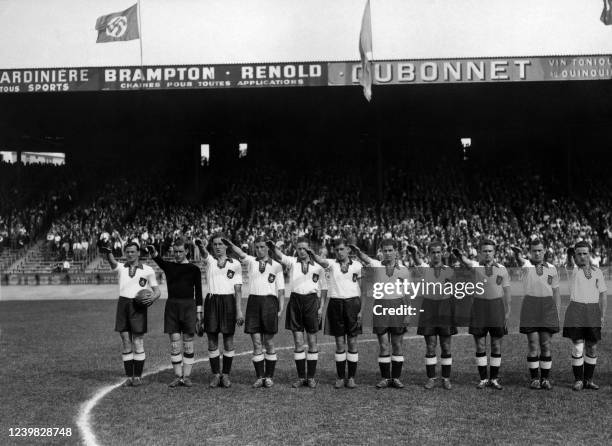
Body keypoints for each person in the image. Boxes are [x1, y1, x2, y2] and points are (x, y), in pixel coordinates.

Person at [225, 237, 284, 388]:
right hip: (253, 303)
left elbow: (281, 290)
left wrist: (281, 308)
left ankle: (269, 377)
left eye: (262, 247)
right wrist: (230, 245)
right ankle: (260, 377)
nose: (259, 249)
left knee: (269, 342)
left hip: (270, 303)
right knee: (257, 342)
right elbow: (240, 252)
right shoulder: (251, 261)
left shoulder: (277, 266)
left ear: (268, 248)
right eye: (257, 247)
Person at [268, 237, 327, 388]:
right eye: (298, 248)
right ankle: (301, 377)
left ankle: (311, 377)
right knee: (298, 341)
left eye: (304, 248)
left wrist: (321, 307)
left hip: (312, 302)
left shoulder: (318, 267)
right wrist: (272, 246)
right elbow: (280, 255)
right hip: (295, 302)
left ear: (310, 249)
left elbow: (324, 289)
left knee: (312, 341)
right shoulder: (293, 262)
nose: (301, 251)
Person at [350, 239, 409, 389]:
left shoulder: (403, 270)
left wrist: (408, 313)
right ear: (381, 251)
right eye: (385, 250)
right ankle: (385, 378)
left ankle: (395, 378)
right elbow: (365, 258)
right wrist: (357, 252)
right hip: (381, 307)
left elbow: (407, 294)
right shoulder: (376, 265)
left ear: (396, 251)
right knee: (383, 345)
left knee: (397, 344)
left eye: (390, 250)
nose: (387, 253)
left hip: (398, 308)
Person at [100, 241, 160, 387]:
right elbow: (113, 261)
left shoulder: (148, 270)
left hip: (138, 307)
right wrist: (108, 253)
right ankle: (129, 376)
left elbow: (157, 291)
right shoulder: (121, 267)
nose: (130, 254)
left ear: (138, 253)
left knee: (138, 341)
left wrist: (152, 297)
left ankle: (137, 376)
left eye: (133, 252)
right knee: (125, 340)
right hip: (123, 305)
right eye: (127, 252)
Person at [454, 239, 511, 390]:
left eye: (490, 251)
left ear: (494, 252)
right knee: (480, 344)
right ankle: (483, 379)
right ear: (480, 253)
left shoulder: (502, 269)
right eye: (484, 251)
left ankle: (494, 378)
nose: (487, 253)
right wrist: (459, 256)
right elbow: (465, 262)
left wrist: (507, 312)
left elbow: (507, 292)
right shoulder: (475, 266)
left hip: (496, 308)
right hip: (478, 308)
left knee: (496, 344)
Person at [307, 239, 362, 389]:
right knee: (339, 343)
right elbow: (321, 261)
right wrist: (312, 254)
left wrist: (362, 310)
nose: (339, 252)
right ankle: (340, 377)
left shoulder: (357, 266)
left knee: (352, 342)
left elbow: (363, 289)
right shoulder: (331, 264)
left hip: (353, 304)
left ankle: (351, 377)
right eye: (337, 250)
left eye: (342, 249)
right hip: (336, 304)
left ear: (348, 250)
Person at [149, 239, 203, 388]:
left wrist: (199, 313)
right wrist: (153, 252)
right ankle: (178, 376)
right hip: (172, 306)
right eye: (175, 252)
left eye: (180, 251)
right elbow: (158, 259)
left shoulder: (194, 269)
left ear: (186, 251)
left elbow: (198, 292)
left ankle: (187, 376)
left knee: (188, 343)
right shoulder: (170, 266)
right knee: (174, 343)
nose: (177, 254)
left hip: (189, 306)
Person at [194, 234, 244, 388]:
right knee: (212, 340)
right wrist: (201, 246)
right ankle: (216, 374)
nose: (217, 247)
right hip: (212, 301)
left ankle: (226, 375)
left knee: (228, 340)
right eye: (214, 244)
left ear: (226, 246)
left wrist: (239, 311)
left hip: (228, 302)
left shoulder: (235, 263)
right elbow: (204, 253)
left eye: (220, 244)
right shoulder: (210, 261)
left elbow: (238, 290)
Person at [511, 240, 560, 390]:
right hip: (530, 307)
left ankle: (545, 379)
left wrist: (557, 312)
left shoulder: (552, 268)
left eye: (539, 250)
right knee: (533, 344)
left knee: (545, 344)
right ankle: (534, 379)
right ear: (530, 252)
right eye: (534, 251)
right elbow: (519, 259)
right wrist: (516, 253)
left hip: (547, 308)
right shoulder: (526, 266)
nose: (537, 253)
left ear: (544, 251)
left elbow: (556, 291)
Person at [563, 242, 608, 391]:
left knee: (592, 347)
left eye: (585, 253)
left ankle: (588, 380)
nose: (582, 256)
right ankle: (578, 380)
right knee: (578, 346)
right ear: (575, 256)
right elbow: (569, 262)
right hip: (576, 309)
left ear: (589, 254)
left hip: (593, 311)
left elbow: (603, 295)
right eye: (579, 254)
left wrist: (602, 315)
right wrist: (570, 254)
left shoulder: (597, 272)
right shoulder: (572, 270)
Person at [417, 241, 456, 390]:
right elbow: (416, 261)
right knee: (430, 346)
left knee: (446, 346)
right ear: (429, 254)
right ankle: (431, 378)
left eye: (438, 252)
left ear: (443, 253)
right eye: (433, 252)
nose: (436, 255)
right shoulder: (424, 270)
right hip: (428, 309)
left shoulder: (449, 270)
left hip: (445, 309)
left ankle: (446, 378)